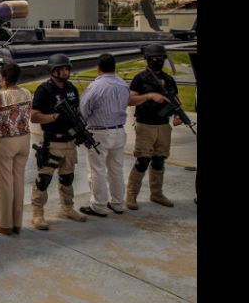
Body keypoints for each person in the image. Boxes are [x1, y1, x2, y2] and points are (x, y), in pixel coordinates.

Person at [29, 53, 88, 230]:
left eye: (67, 68)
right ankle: (38, 213)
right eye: (62, 68)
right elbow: (34, 116)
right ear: (53, 70)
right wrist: (53, 117)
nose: (66, 71)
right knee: (44, 178)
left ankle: (67, 208)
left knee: (67, 177)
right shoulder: (44, 90)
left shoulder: (71, 88)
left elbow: (77, 110)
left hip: (70, 142)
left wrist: (79, 126)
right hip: (53, 141)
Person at [77, 53, 137, 218]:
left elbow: (84, 109)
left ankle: (99, 205)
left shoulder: (96, 86)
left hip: (99, 132)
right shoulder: (123, 84)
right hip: (119, 130)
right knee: (116, 170)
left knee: (97, 171)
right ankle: (118, 203)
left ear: (99, 68)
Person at [126, 43, 180, 210]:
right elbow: (130, 100)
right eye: (156, 58)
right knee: (142, 160)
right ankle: (131, 195)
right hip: (146, 125)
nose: (159, 61)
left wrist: (178, 114)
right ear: (148, 59)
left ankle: (156, 193)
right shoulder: (140, 78)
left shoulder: (168, 80)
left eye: (162, 58)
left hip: (163, 126)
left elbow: (176, 100)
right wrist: (150, 96)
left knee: (159, 160)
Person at [0, 62, 32, 235]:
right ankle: (17, 223)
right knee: (18, 180)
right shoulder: (27, 92)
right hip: (24, 139)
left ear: (4, 77)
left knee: (5, 182)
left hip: (5, 141)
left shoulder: (0, 97)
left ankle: (5, 224)